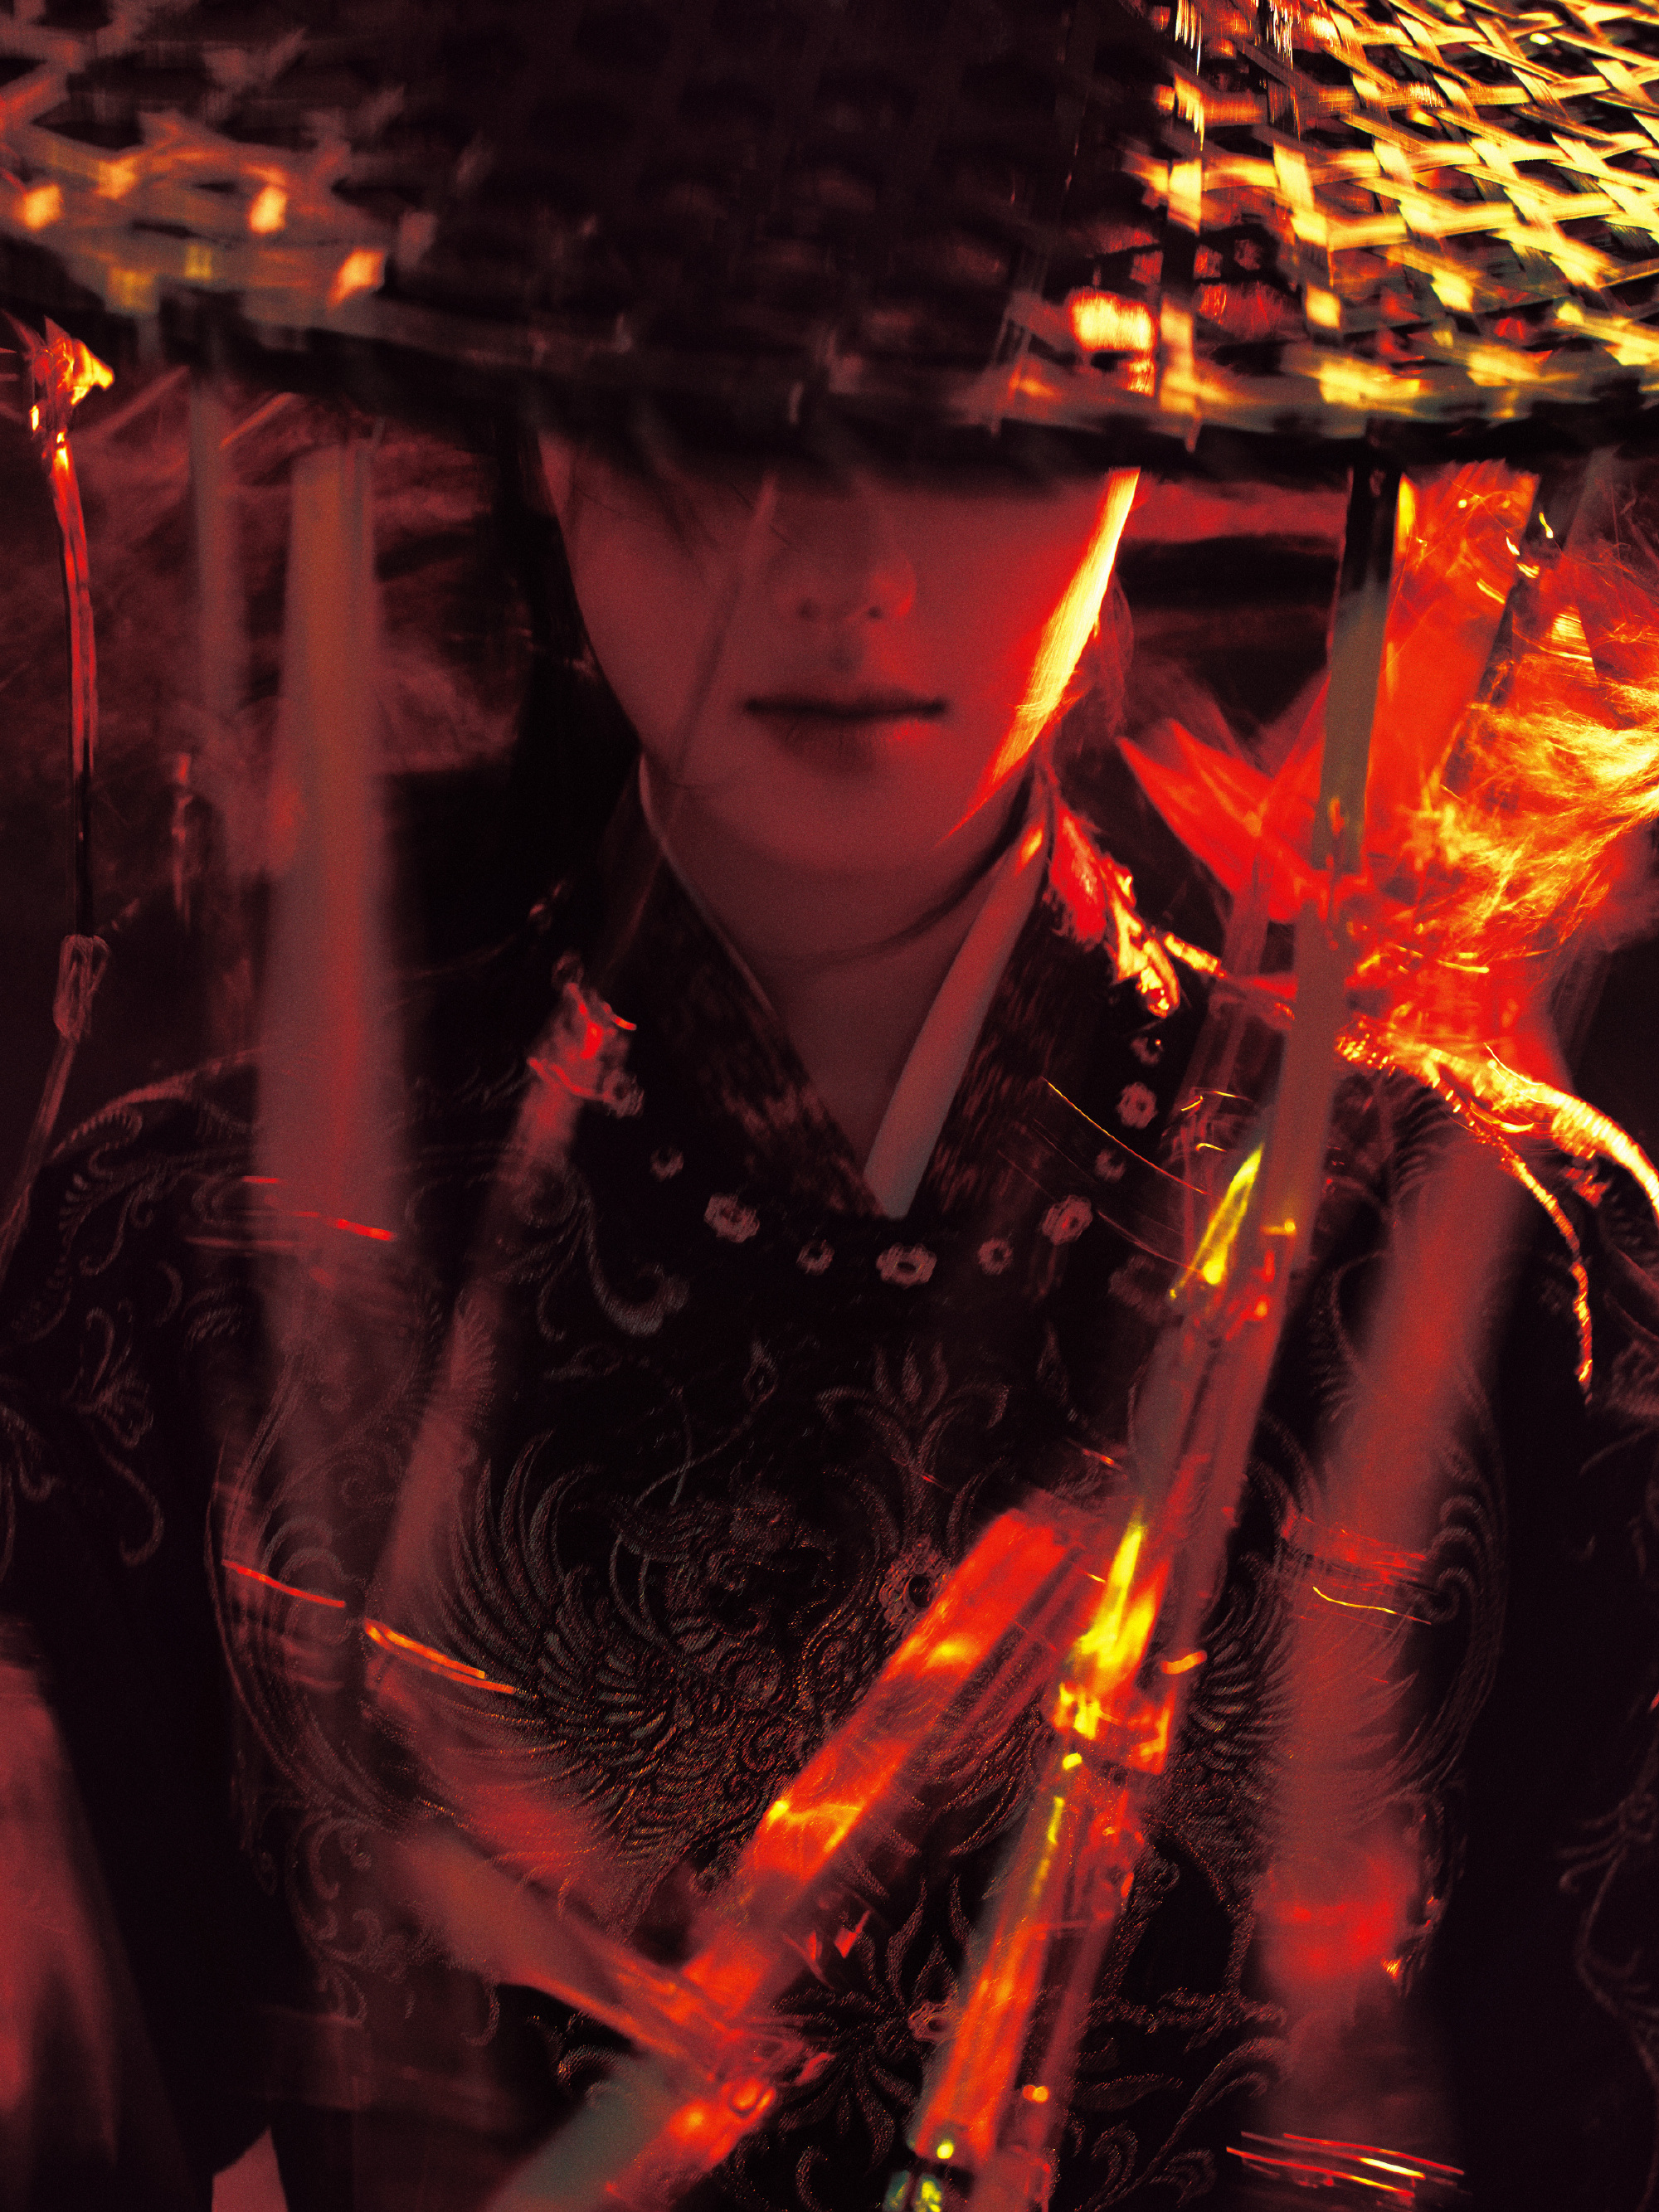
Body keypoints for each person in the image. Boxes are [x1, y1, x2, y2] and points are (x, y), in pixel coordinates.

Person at [1, 3, 1658, 2210]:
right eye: (720, 405)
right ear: (551, 422)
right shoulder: (177, 1259)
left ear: (1139, 430)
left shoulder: (1507, 1263)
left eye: (976, 409)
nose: (843, 562)